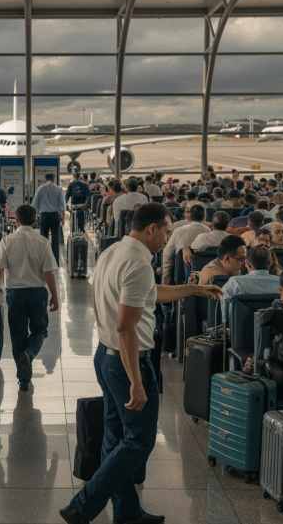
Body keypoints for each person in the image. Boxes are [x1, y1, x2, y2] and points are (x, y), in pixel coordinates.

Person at [61, 203, 221, 524]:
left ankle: (127, 513)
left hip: (106, 357)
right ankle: (82, 506)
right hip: (128, 361)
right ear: (152, 229)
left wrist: (193, 289)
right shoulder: (137, 264)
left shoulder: (114, 252)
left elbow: (147, 294)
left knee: (115, 438)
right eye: (166, 230)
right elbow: (126, 326)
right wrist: (136, 380)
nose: (167, 238)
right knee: (138, 442)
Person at [0, 205, 60, 391]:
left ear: (17, 220)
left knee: (17, 335)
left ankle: (24, 380)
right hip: (37, 292)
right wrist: (55, 295)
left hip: (15, 294)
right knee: (40, 331)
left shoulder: (7, 240)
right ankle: (29, 354)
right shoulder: (42, 241)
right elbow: (49, 272)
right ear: (35, 219)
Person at [220, 246, 280, 323]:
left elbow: (225, 315)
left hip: (240, 332)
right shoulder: (281, 283)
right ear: (270, 263)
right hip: (272, 332)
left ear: (247, 263)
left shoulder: (235, 282)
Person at [162, 204, 208, 283]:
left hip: (181, 278)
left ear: (190, 216)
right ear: (204, 217)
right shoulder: (208, 231)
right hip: (204, 278)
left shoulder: (179, 231)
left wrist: (165, 281)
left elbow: (167, 255)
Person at [32, 173, 66, 265]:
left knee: (43, 239)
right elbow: (62, 205)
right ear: (54, 179)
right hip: (55, 216)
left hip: (44, 216)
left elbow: (34, 204)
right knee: (55, 239)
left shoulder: (40, 189)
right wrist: (63, 218)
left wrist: (36, 216)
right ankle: (55, 262)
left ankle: (44, 261)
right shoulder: (59, 189)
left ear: (45, 179)